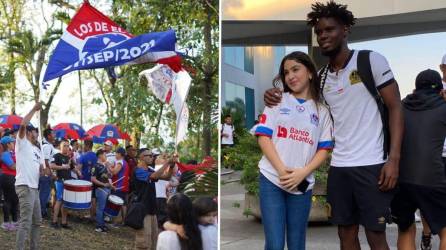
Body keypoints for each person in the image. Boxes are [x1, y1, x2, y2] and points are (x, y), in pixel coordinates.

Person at [264, 2, 403, 249]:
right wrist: (272, 95)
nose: (323, 36)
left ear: (346, 30)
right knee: (345, 235)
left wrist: (393, 160)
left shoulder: (370, 60)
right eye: (319, 32)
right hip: (339, 168)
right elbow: (301, 102)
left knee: (375, 235)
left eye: (329, 29)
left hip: (372, 164)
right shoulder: (323, 77)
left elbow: (396, 107)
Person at [257, 51, 333, 250]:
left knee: (297, 244)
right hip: (272, 178)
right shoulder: (276, 101)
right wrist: (283, 172)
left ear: (309, 72)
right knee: (274, 244)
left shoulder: (322, 111)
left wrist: (302, 173)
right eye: (286, 72)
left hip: (302, 184)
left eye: (296, 69)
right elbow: (264, 137)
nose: (290, 76)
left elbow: (324, 149)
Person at [391, 69, 446, 250]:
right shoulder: (443, 106)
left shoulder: (400, 106)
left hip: (401, 178)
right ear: (440, 90)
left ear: (415, 88)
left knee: (405, 230)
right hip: (432, 178)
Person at [15, 103, 50, 250]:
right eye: (35, 132)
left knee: (37, 221)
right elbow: (23, 124)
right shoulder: (21, 142)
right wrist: (34, 110)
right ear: (29, 133)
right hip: (25, 186)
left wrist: (44, 171)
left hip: (35, 188)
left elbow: (41, 170)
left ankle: (33, 247)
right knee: (25, 222)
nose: (37, 134)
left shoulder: (37, 149)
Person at [133, 148, 175, 250]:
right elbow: (153, 176)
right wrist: (167, 163)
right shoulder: (138, 170)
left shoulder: (150, 170)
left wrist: (171, 166)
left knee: (153, 241)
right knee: (143, 243)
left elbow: (167, 177)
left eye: (152, 155)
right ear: (142, 158)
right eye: (150, 156)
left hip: (152, 210)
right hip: (142, 211)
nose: (153, 157)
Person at [50, 139, 76, 229]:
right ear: (60, 147)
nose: (66, 147)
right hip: (59, 181)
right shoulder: (57, 155)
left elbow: (72, 168)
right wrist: (63, 167)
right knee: (59, 200)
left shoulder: (69, 158)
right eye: (64, 145)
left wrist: (79, 172)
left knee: (65, 202)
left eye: (68, 145)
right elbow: (52, 166)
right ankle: (54, 221)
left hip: (68, 183)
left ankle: (64, 222)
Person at [91, 149, 113, 233]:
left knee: (104, 208)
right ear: (100, 155)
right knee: (100, 208)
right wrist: (103, 185)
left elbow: (109, 176)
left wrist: (108, 168)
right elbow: (93, 179)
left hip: (106, 189)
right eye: (105, 155)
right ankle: (99, 226)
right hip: (100, 189)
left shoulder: (104, 166)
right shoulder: (95, 166)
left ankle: (102, 224)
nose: (106, 157)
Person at [0, 136, 19, 231]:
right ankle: (6, 222)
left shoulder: (12, 153)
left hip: (13, 178)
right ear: (7, 144)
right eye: (12, 142)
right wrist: (23, 165)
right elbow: (12, 166)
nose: (14, 144)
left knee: (15, 200)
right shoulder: (5, 154)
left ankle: (15, 221)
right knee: (8, 200)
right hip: (7, 178)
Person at [109, 147, 130, 226]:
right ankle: (124, 221)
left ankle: (115, 223)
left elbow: (114, 172)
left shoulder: (120, 162)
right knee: (123, 204)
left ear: (120, 154)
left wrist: (107, 165)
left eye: (116, 153)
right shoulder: (125, 162)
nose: (115, 154)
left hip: (118, 186)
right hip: (124, 186)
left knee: (116, 204)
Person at [77, 139, 97, 218]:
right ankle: (92, 216)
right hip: (93, 180)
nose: (83, 147)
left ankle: (81, 215)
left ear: (87, 146)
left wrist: (75, 167)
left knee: (82, 198)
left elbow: (78, 168)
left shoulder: (83, 156)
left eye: (84, 145)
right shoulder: (95, 156)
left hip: (84, 181)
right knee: (93, 198)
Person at [39, 128, 56, 219]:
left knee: (45, 193)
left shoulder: (48, 145)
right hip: (45, 173)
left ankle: (42, 210)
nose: (55, 135)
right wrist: (50, 173)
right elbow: (45, 160)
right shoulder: (47, 146)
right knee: (44, 193)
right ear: (48, 136)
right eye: (53, 134)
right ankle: (42, 212)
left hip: (46, 172)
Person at [154, 153, 169, 230]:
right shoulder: (164, 170)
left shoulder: (153, 169)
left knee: (156, 218)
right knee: (161, 218)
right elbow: (167, 185)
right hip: (161, 196)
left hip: (156, 196)